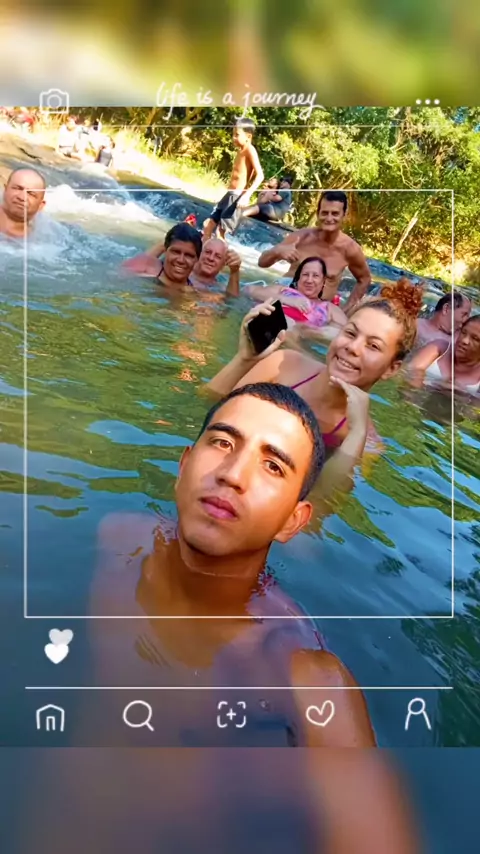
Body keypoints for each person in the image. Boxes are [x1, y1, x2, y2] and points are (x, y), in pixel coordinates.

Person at [93, 382, 376, 749]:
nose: (233, 474)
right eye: (223, 443)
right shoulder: (118, 536)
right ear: (184, 466)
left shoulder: (304, 677)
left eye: (273, 466)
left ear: (292, 521)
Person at [207, 279, 423, 493]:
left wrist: (357, 434)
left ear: (391, 369)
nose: (353, 348)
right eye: (350, 333)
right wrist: (243, 359)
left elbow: (324, 502)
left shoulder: (367, 442)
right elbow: (208, 406)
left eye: (373, 346)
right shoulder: (284, 364)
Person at [258, 190, 371, 309]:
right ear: (318, 213)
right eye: (325, 213)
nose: (329, 218)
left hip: (316, 310)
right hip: (284, 300)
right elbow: (262, 263)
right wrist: (277, 251)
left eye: (335, 213)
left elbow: (364, 279)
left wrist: (346, 311)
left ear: (344, 214)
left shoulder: (350, 249)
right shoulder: (301, 237)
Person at [202, 117, 264, 240]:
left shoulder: (250, 150)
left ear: (248, 136)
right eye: (233, 134)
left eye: (237, 135)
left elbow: (260, 176)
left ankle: (221, 251)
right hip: (229, 195)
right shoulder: (240, 151)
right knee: (208, 225)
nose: (233, 138)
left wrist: (246, 195)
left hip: (236, 197)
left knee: (220, 232)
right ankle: (203, 249)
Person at [244, 256, 347, 330]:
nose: (309, 280)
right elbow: (249, 290)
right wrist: (288, 300)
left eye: (315, 276)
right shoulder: (283, 290)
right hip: (266, 322)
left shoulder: (329, 308)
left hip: (297, 334)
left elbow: (347, 331)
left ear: (323, 281)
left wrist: (306, 329)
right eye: (305, 274)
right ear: (298, 278)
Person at [123, 235, 242, 296]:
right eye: (207, 252)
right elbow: (139, 264)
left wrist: (235, 271)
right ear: (198, 254)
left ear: (223, 264)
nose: (210, 258)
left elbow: (231, 301)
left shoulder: (218, 289)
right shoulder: (181, 267)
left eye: (217, 256)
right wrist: (166, 243)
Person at [408, 314, 480, 394]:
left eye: (475, 338)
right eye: (463, 332)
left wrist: (461, 396)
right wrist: (419, 383)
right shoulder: (439, 347)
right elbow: (412, 370)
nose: (464, 340)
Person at [0, 168, 46, 238]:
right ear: (5, 190)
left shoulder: (43, 239)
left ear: (41, 205)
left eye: (31, 194)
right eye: (17, 188)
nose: (21, 197)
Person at [153, 222, 203, 288]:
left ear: (197, 259)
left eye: (189, 255)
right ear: (165, 251)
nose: (181, 260)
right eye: (176, 252)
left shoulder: (198, 291)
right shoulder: (144, 273)